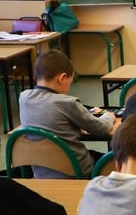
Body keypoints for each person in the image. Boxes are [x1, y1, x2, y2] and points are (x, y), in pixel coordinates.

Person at [18, 50, 120, 178]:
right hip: (76, 170)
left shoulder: (24, 98)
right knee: (115, 160)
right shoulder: (68, 103)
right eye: (69, 83)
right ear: (62, 78)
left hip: (41, 171)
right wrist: (108, 117)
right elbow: (101, 129)